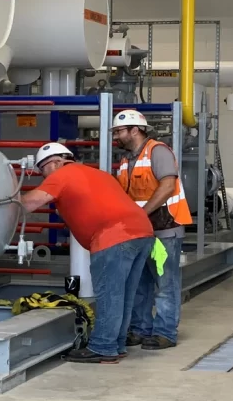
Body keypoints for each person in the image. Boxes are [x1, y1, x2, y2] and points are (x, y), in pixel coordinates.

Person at [19, 142, 155, 364]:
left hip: (114, 235)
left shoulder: (62, 173)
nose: (43, 177)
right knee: (124, 295)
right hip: (142, 232)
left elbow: (29, 203)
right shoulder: (97, 174)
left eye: (42, 171)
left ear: (53, 163)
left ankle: (103, 347)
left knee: (109, 295)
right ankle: (116, 345)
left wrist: (3, 202)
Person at [112, 109, 192, 351]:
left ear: (135, 130)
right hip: (141, 230)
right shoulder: (127, 159)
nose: (116, 136)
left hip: (164, 229)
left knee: (165, 282)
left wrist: (141, 214)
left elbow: (167, 186)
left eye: (119, 131)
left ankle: (165, 332)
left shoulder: (158, 151)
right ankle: (140, 329)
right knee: (140, 282)